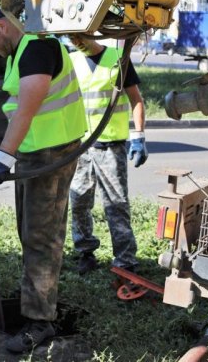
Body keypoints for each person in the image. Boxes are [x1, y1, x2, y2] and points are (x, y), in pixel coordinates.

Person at [0, 7, 86, 353]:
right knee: (31, 232)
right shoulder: (21, 53)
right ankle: (38, 304)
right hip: (38, 154)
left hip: (51, 155)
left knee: (41, 237)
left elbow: (27, 109)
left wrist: (1, 158)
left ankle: (40, 322)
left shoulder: (36, 48)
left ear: (1, 26)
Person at [67, 33, 148, 275]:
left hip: (111, 147)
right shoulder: (72, 61)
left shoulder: (117, 59)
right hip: (80, 146)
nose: (76, 42)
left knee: (116, 204)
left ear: (92, 32)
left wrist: (139, 136)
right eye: (71, 38)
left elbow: (136, 100)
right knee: (79, 200)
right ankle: (85, 252)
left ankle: (125, 261)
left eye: (79, 36)